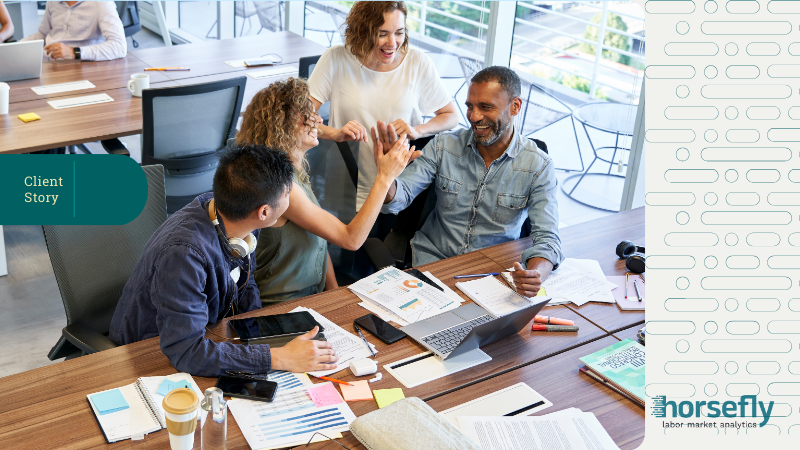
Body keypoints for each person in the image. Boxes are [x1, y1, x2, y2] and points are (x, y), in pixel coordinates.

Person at [109, 146, 339, 377]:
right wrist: (280, 357)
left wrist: (260, 338)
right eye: (288, 192)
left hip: (204, 332)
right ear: (264, 212)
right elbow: (187, 352)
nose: (292, 196)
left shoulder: (236, 217)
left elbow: (247, 284)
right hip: (148, 355)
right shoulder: (184, 256)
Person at [378, 66, 564, 297]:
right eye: (469, 106)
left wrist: (536, 275)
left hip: (494, 277)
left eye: (486, 107)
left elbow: (548, 239)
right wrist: (387, 177)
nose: (474, 117)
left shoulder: (538, 165)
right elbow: (399, 198)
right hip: (433, 266)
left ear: (515, 106)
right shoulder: (443, 146)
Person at [236, 78, 417, 305]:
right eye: (306, 117)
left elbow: (321, 235)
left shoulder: (294, 170)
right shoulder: (281, 185)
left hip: (314, 296)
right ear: (280, 126)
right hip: (283, 307)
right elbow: (350, 239)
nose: (319, 120)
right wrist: (384, 177)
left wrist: (334, 290)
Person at [307, 1, 459, 213]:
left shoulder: (417, 63)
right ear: (362, 31)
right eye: (382, 33)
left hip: (399, 185)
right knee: (346, 243)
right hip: (346, 183)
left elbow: (451, 115)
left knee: (390, 243)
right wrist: (335, 134)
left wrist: (418, 130)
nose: (392, 43)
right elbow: (300, 119)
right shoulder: (335, 59)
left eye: (399, 32)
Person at [20, 1, 125, 61]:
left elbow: (119, 46)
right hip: (49, 64)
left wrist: (75, 52)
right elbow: (43, 33)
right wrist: (17, 46)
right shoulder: (52, 2)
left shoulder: (101, 3)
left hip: (82, 66)